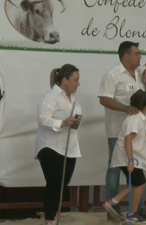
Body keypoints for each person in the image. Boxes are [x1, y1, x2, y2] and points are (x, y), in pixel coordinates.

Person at [98, 41, 146, 221]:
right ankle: (114, 206)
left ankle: (138, 209)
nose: (140, 57)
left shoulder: (142, 75)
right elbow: (104, 99)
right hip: (118, 130)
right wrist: (125, 108)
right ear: (126, 56)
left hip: (137, 131)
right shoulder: (112, 75)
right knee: (115, 169)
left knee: (136, 170)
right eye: (137, 54)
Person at [35, 64, 82, 225]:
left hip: (69, 147)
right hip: (50, 147)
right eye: (75, 80)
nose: (78, 83)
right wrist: (62, 123)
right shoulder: (50, 96)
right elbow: (43, 119)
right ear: (64, 80)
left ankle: (53, 215)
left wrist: (75, 122)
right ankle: (49, 218)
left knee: (63, 185)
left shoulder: (73, 97)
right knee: (54, 183)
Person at [103, 90, 146, 223]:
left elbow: (136, 136)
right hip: (126, 157)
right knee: (140, 183)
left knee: (135, 183)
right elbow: (128, 140)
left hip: (129, 157)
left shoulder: (138, 118)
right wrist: (130, 161)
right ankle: (132, 214)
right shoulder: (135, 119)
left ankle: (112, 203)